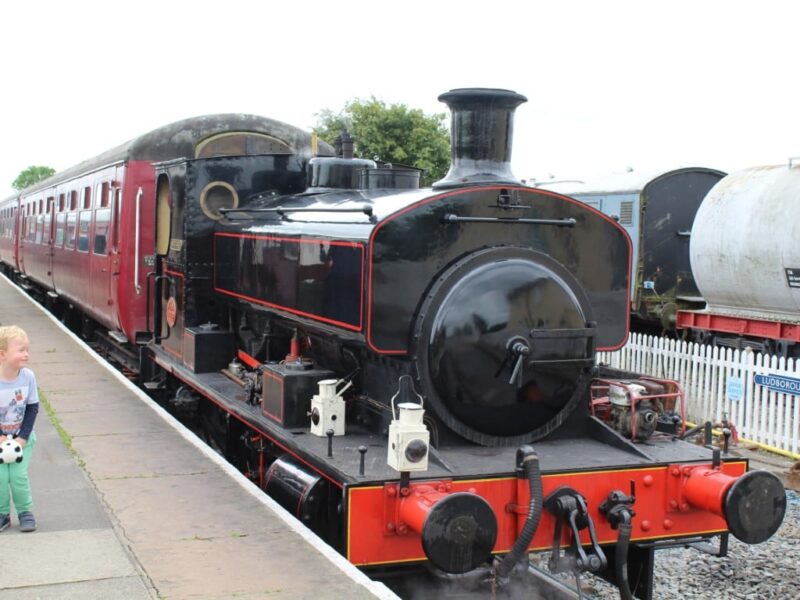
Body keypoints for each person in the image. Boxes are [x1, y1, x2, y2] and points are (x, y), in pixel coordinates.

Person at [0, 325, 39, 533]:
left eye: (27, 349)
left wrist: (22, 438)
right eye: (21, 350)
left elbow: (32, 407)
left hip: (22, 439)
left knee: (18, 476)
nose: (27, 354)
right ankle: (2, 513)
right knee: (0, 477)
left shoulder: (28, 377)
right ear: (2, 354)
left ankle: (25, 511)